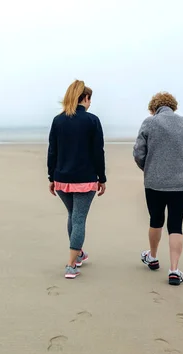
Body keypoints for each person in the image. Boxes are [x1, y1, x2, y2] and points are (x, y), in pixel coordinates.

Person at [133, 92, 183, 285]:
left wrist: (148, 168)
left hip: (154, 182)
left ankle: (153, 257)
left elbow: (139, 152)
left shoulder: (149, 123)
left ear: (153, 108)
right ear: (173, 106)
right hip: (181, 183)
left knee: (156, 220)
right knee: (176, 225)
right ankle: (174, 270)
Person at [47, 79, 107, 279]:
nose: (90, 103)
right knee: (79, 218)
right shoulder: (92, 120)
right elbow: (98, 152)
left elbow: (52, 151)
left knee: (73, 215)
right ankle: (71, 265)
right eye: (90, 99)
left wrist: (51, 177)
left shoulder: (58, 120)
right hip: (85, 179)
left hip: (62, 178)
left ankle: (78, 254)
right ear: (85, 98)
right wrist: (102, 178)